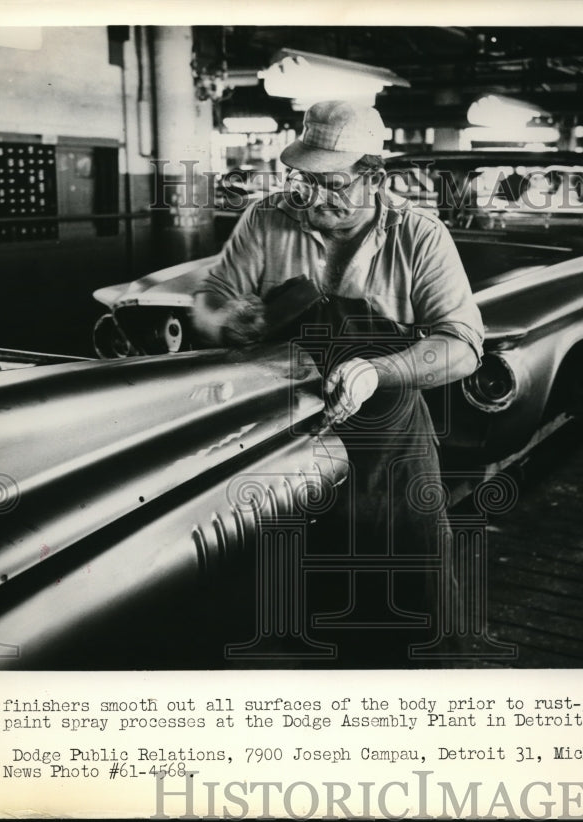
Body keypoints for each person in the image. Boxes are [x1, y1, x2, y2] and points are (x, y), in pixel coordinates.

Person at [190, 100, 484, 663]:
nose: (306, 195)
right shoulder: (266, 219)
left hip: (387, 447)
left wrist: (380, 370)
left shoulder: (418, 236)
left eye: (328, 182)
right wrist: (223, 320)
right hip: (286, 440)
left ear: (373, 177)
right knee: (296, 608)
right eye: (300, 178)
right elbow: (210, 298)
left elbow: (463, 346)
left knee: (409, 607)